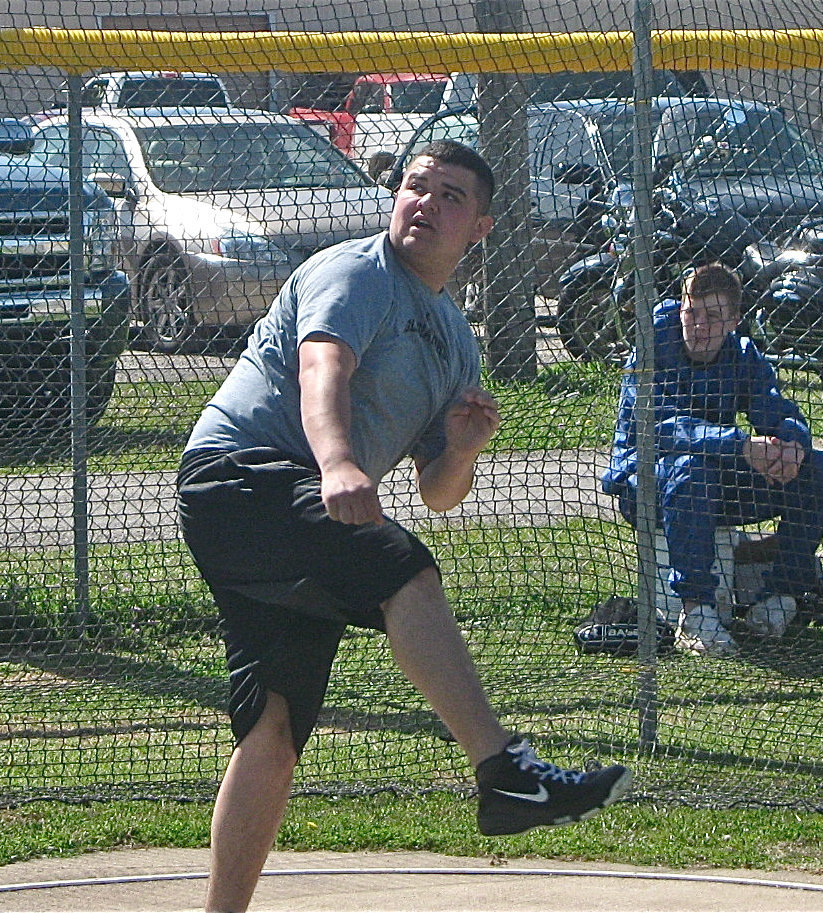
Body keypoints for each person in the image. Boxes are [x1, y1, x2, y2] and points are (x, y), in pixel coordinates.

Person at [176, 140, 632, 912]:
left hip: (296, 501)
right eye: (416, 186)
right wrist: (339, 462)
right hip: (244, 475)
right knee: (405, 570)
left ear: (479, 228)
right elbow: (324, 366)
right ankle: (503, 772)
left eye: (450, 196)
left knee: (273, 734)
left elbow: (438, 492)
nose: (425, 203)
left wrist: (460, 448)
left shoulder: (454, 338)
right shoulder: (357, 272)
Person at [601, 262, 823, 657]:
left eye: (713, 316)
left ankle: (780, 596)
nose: (699, 325)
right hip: (646, 484)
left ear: (734, 321)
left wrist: (791, 444)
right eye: (691, 312)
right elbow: (658, 425)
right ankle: (696, 613)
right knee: (690, 470)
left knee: (818, 468)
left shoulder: (742, 354)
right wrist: (742, 445)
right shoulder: (651, 345)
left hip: (718, 480)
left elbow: (775, 409)